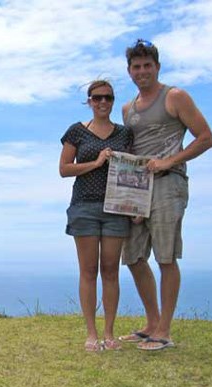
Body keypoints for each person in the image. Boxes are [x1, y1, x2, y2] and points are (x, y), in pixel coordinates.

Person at [119, 39, 212, 350]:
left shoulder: (174, 96)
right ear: (130, 71)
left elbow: (205, 138)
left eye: (148, 65)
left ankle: (165, 330)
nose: (142, 71)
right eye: (137, 66)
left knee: (165, 256)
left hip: (169, 183)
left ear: (157, 67)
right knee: (133, 256)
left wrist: (169, 162)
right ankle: (152, 322)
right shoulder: (127, 108)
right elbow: (133, 151)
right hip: (136, 188)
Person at [59, 80, 133, 352]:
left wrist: (135, 208)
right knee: (88, 271)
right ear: (89, 101)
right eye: (97, 97)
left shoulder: (125, 134)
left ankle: (110, 333)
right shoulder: (76, 131)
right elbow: (64, 169)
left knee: (111, 271)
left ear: (113, 101)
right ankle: (91, 333)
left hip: (116, 209)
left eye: (108, 98)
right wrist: (97, 162)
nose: (103, 102)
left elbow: (133, 172)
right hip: (84, 207)